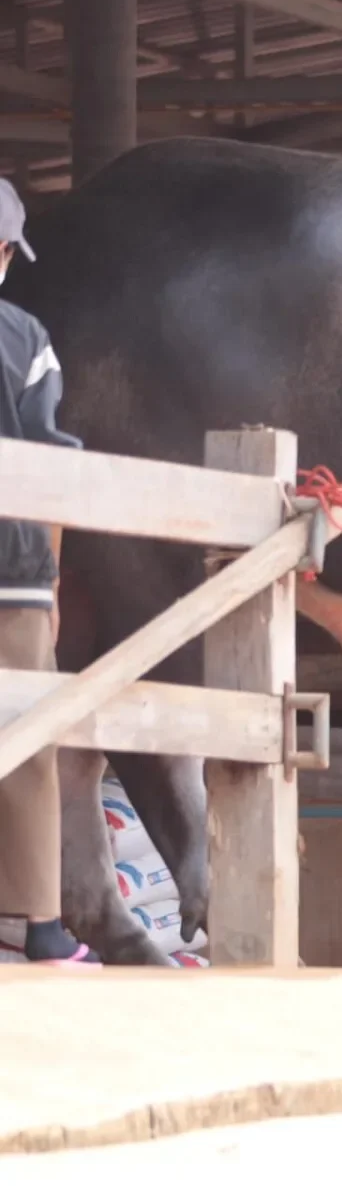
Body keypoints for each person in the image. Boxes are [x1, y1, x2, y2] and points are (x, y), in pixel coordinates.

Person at [0, 175, 96, 965]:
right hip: (15, 570)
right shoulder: (26, 339)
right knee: (28, 736)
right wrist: (55, 583)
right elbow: (53, 461)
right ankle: (34, 921)